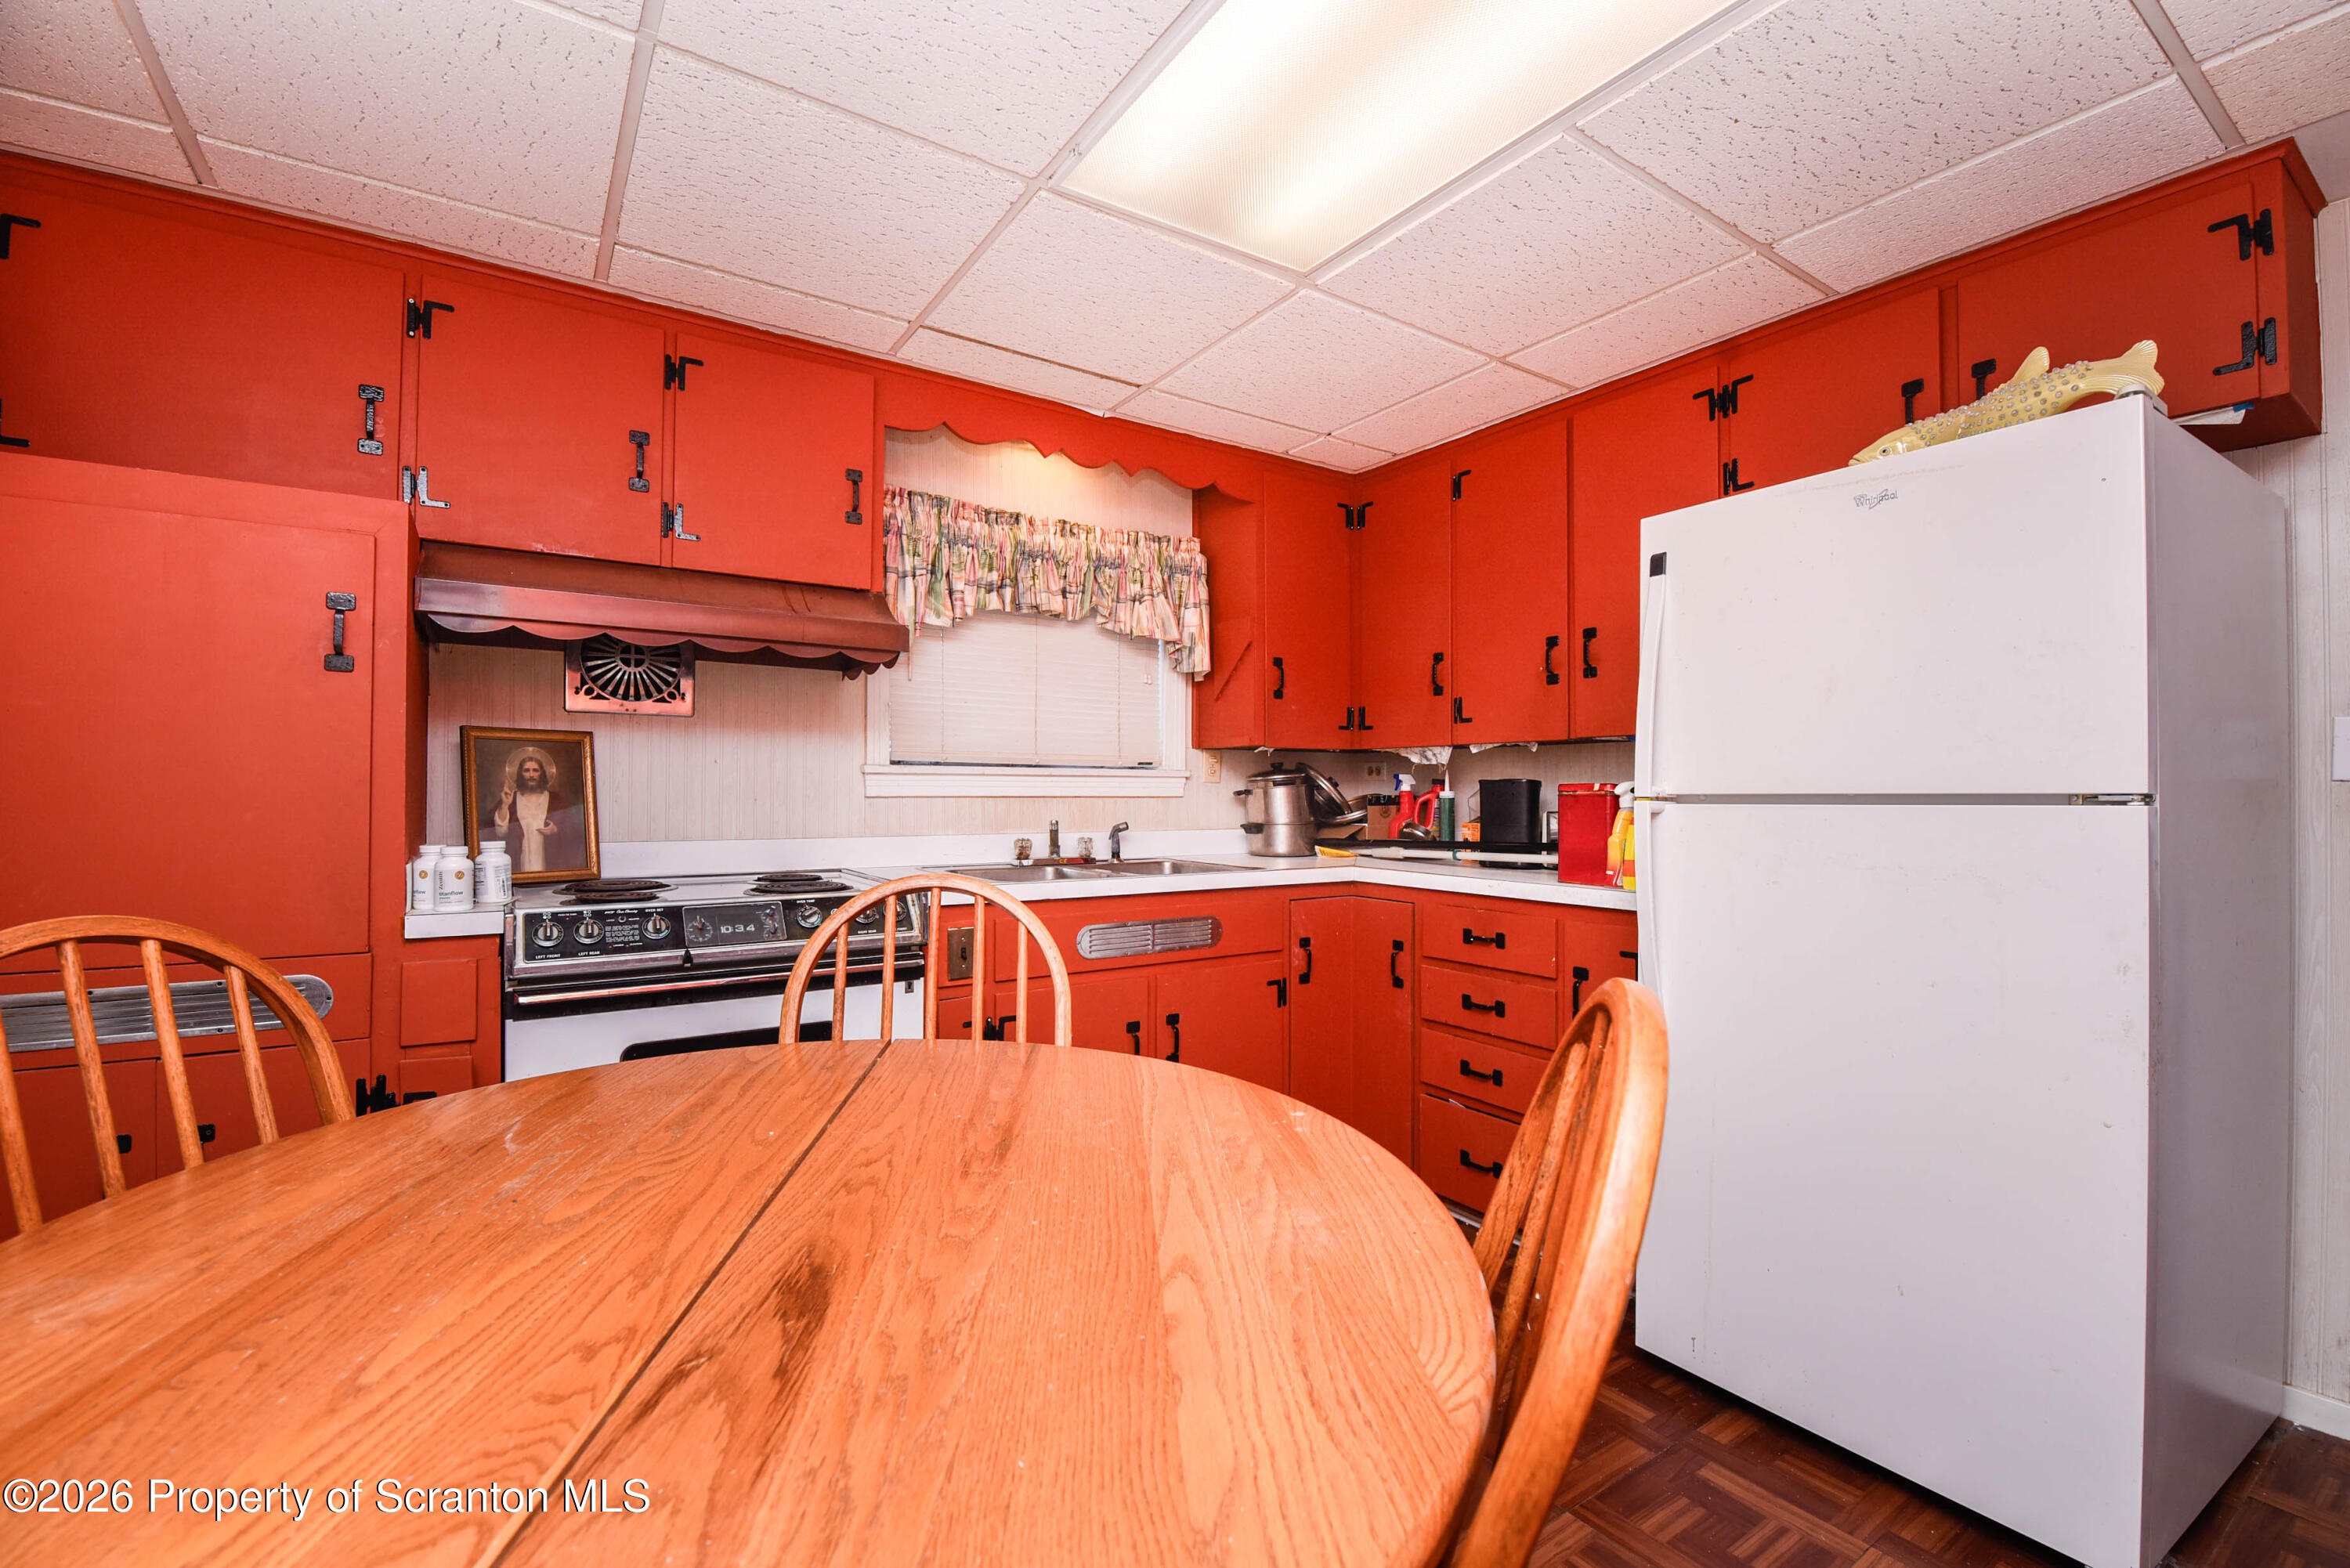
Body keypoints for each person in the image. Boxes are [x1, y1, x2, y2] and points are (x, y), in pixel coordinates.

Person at [484, 745, 586, 874]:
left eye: (535, 770)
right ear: (520, 773)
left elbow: (574, 832)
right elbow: (499, 833)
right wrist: (505, 805)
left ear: (542, 773)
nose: (531, 775)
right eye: (526, 771)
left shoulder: (555, 800)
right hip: (520, 863)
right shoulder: (511, 799)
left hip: (549, 863)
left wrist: (556, 830)